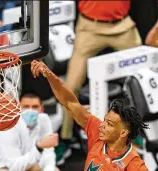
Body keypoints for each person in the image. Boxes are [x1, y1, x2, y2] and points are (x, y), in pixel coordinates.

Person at [61, 0, 142, 144]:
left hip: (122, 26)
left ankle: (143, 133)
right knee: (71, 86)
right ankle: (64, 138)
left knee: (146, 77)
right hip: (89, 27)